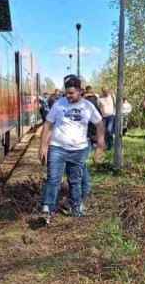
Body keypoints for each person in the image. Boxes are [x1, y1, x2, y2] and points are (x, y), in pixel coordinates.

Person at [38, 75, 104, 224]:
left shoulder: (88, 106)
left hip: (78, 150)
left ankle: (76, 208)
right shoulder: (59, 104)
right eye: (66, 92)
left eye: (71, 93)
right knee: (53, 179)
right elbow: (48, 125)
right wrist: (43, 146)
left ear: (80, 91)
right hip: (57, 148)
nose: (68, 96)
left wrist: (100, 147)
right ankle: (47, 209)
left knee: (75, 181)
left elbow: (99, 125)